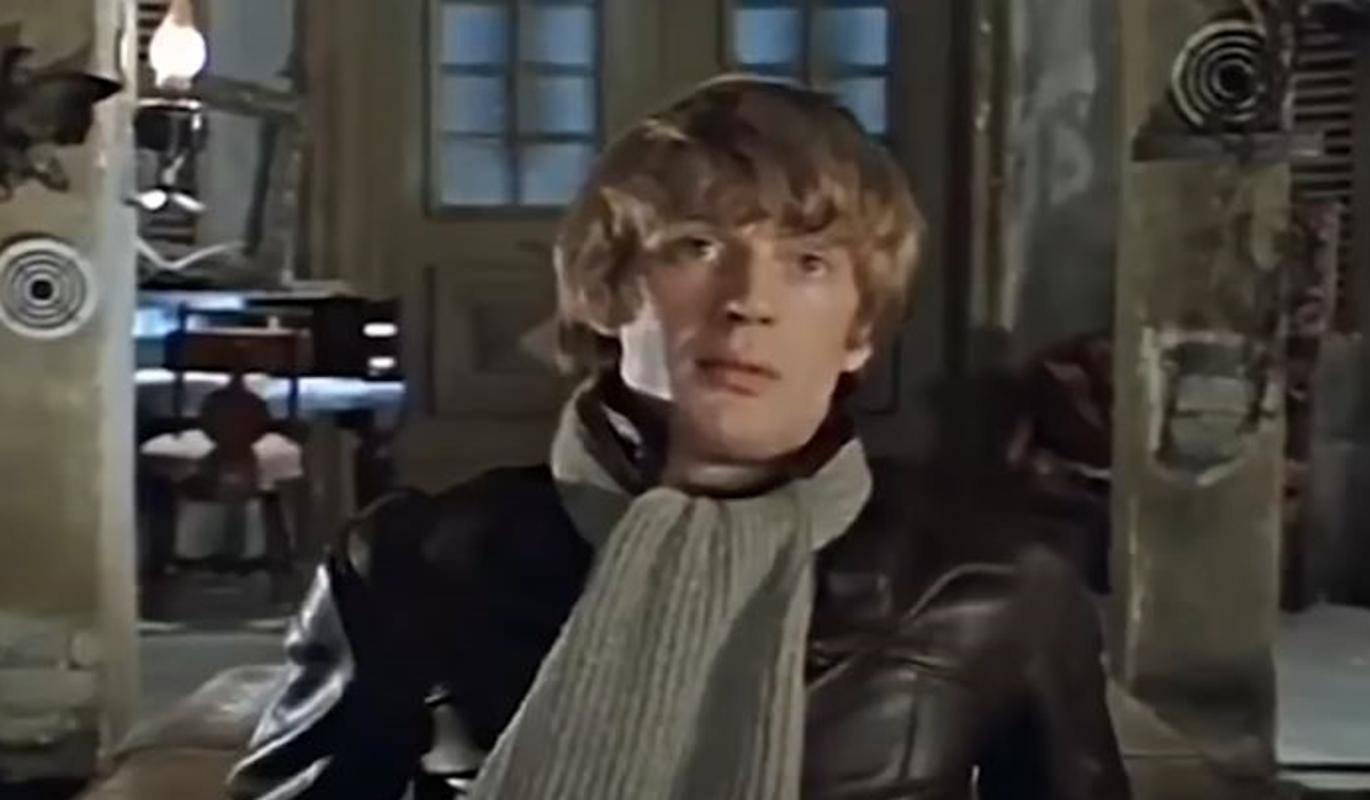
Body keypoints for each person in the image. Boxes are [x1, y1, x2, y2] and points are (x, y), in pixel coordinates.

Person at [227, 75, 1130, 800]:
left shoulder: (998, 584)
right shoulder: (412, 567)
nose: (749, 301)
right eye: (697, 246)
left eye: (808, 263)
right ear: (610, 290)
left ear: (859, 331)